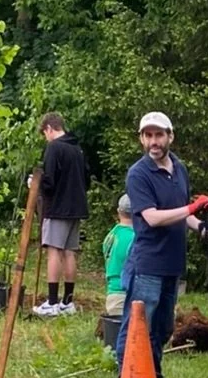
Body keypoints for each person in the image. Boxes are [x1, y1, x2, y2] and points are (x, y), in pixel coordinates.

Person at [115, 113, 208, 378]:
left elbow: (181, 209)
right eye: (148, 136)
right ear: (141, 139)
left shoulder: (179, 168)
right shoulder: (139, 174)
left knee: (162, 328)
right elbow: (153, 218)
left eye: (159, 135)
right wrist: (191, 210)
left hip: (172, 263)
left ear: (171, 136)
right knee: (137, 327)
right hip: (147, 263)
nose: (153, 142)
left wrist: (201, 227)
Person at [34, 113, 90, 317]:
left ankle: (51, 302)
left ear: (49, 128)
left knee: (54, 251)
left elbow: (49, 180)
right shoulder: (77, 148)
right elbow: (87, 179)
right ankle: (68, 301)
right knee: (69, 252)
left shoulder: (54, 148)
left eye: (44, 134)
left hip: (57, 207)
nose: (46, 138)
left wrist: (35, 183)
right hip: (76, 207)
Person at [103, 194, 135, 316]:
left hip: (112, 293)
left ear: (118, 212)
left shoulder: (111, 235)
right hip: (125, 296)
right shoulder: (133, 237)